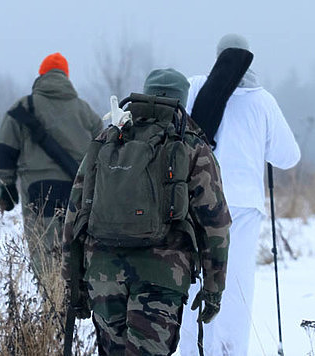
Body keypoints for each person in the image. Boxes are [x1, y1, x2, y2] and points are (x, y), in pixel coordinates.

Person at [62, 68, 231, 355]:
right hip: (162, 276)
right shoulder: (191, 145)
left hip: (103, 274)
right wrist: (214, 290)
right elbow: (215, 224)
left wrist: (73, 284)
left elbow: (75, 214)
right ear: (183, 99)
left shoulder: (108, 140)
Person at [180, 34, 301, 355]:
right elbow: (288, 157)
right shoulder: (263, 101)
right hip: (244, 208)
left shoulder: (195, 87)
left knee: (195, 281)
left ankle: (194, 350)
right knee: (236, 288)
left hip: (195, 203)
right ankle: (232, 350)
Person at [0, 53, 102, 281]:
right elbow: (101, 153)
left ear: (41, 76)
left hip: (38, 191)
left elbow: (3, 153)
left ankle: (52, 305)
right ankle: (71, 304)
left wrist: (7, 185)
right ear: (66, 77)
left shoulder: (24, 107)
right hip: (77, 191)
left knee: (44, 254)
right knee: (73, 252)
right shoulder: (85, 111)